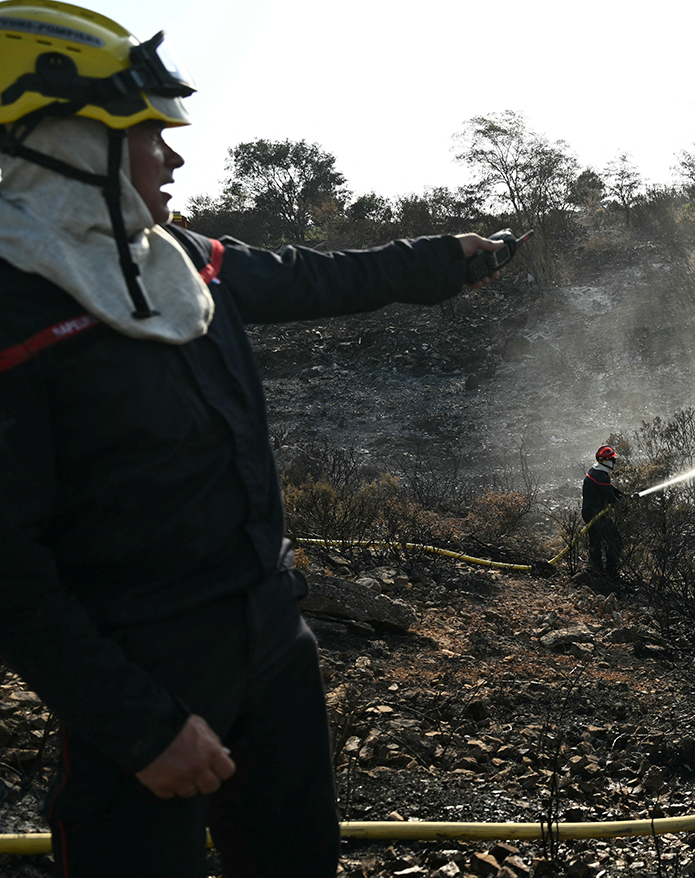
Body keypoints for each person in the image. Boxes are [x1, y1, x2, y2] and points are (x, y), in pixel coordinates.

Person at [0, 3, 507, 875]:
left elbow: (313, 276)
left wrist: (444, 260)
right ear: (65, 139)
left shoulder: (178, 260)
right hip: (145, 673)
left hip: (273, 639)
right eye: (148, 133)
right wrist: (141, 728)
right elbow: (8, 572)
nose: (173, 157)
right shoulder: (14, 317)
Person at [581, 445, 633, 580]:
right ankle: (611, 571)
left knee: (595, 541)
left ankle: (596, 569)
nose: (614, 462)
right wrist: (623, 501)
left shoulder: (595, 470)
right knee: (615, 540)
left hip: (589, 512)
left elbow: (609, 489)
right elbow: (611, 498)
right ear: (607, 461)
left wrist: (622, 494)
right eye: (613, 460)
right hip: (595, 515)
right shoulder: (602, 476)